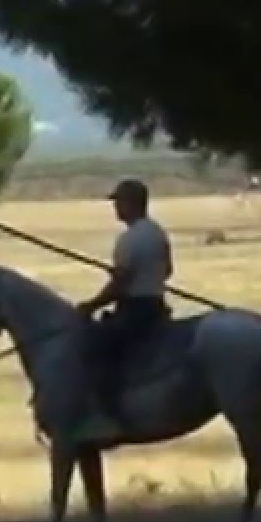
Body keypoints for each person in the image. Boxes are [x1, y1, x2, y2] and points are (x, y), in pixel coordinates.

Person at [75, 178, 174, 426]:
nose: (115, 207)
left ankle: (104, 413)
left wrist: (90, 305)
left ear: (130, 204)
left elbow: (120, 285)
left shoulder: (129, 240)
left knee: (96, 349)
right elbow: (168, 271)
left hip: (134, 311)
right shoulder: (157, 232)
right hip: (157, 306)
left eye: (118, 201)